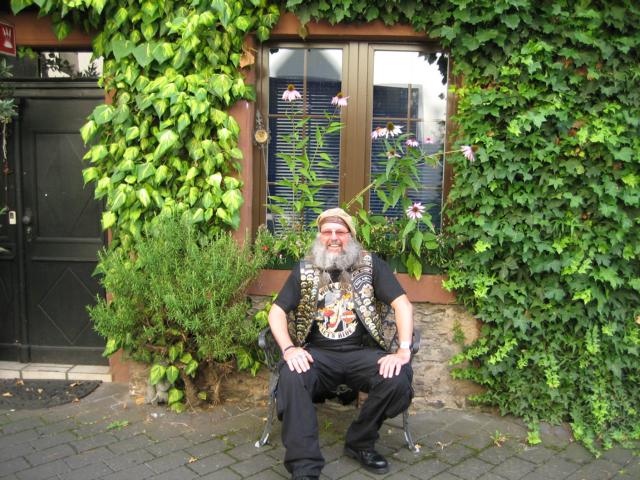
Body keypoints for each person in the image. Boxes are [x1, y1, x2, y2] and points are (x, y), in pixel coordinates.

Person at [268, 207, 414, 480]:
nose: (333, 237)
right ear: (319, 236)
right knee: (292, 377)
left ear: (351, 236)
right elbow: (276, 312)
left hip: (363, 353)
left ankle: (360, 442)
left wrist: (403, 350)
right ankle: (304, 467)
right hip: (317, 355)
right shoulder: (305, 268)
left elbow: (402, 305)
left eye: (340, 232)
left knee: (397, 378)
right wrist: (289, 349)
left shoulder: (370, 265)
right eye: (327, 232)